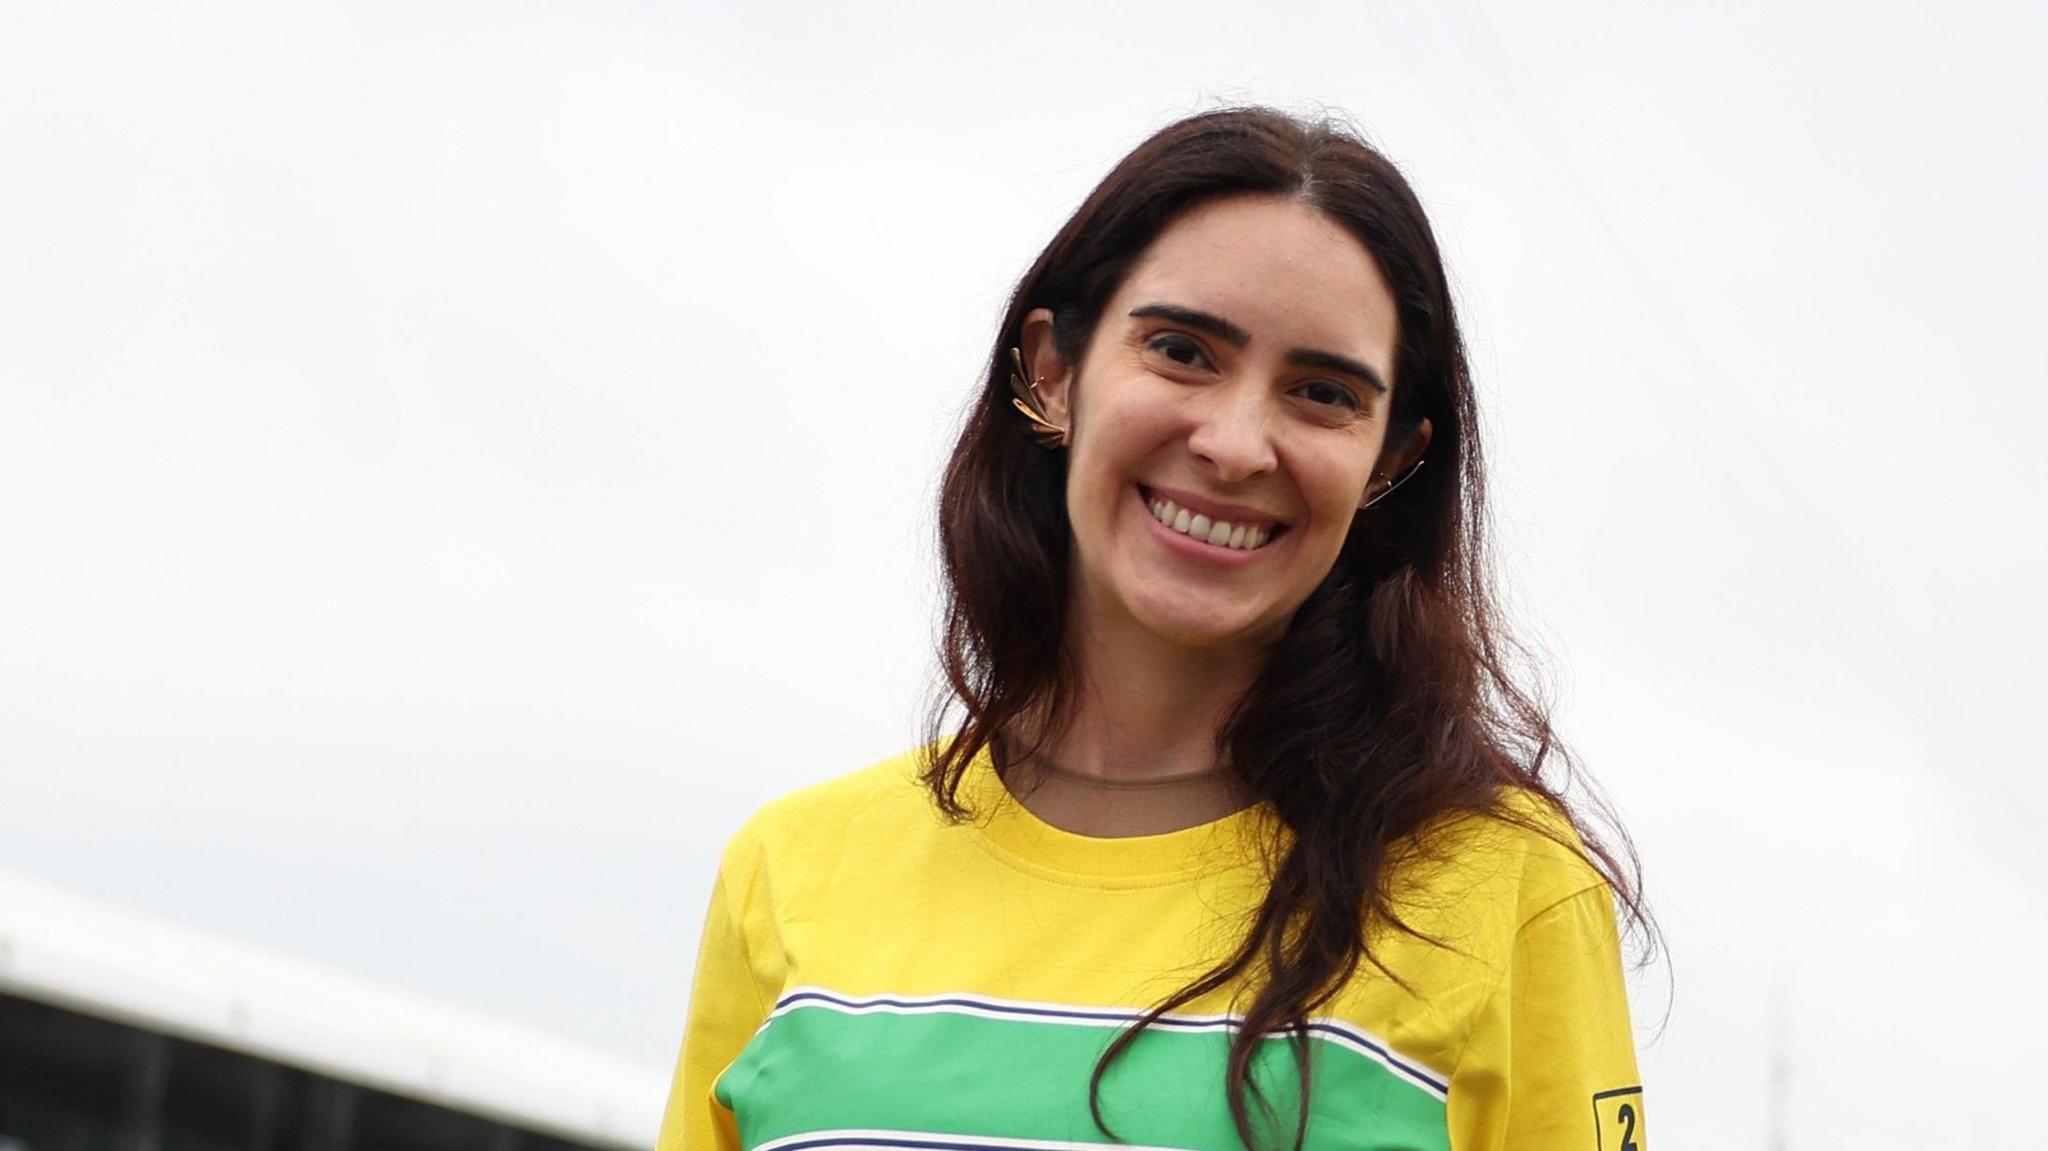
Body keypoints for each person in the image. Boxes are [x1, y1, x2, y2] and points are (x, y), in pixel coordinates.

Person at [657, 106, 1654, 1151]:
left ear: (1390, 460)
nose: (1232, 443)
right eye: (1180, 350)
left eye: (1321, 393)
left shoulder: (1504, 889)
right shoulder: (788, 872)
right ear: (1052, 371)